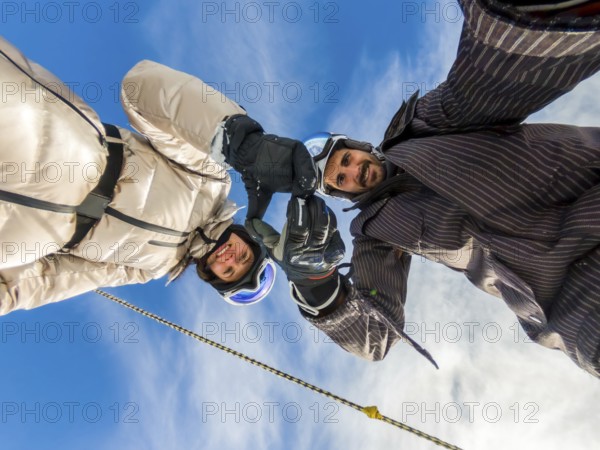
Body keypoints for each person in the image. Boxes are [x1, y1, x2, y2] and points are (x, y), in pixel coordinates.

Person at [251, 0, 600, 378]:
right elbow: (376, 332)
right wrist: (315, 284)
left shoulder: (417, 131)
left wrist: (524, 23)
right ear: (340, 194)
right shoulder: (373, 232)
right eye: (340, 178)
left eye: (347, 158)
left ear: (360, 146)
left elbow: (477, 91)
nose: (353, 171)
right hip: (565, 289)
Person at [0, 36, 279, 314]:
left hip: (37, 231)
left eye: (229, 270)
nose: (229, 258)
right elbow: (142, 89)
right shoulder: (210, 181)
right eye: (242, 255)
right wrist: (238, 138)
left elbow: (55, 279)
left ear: (214, 276)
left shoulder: (154, 268)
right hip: (70, 153)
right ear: (247, 237)